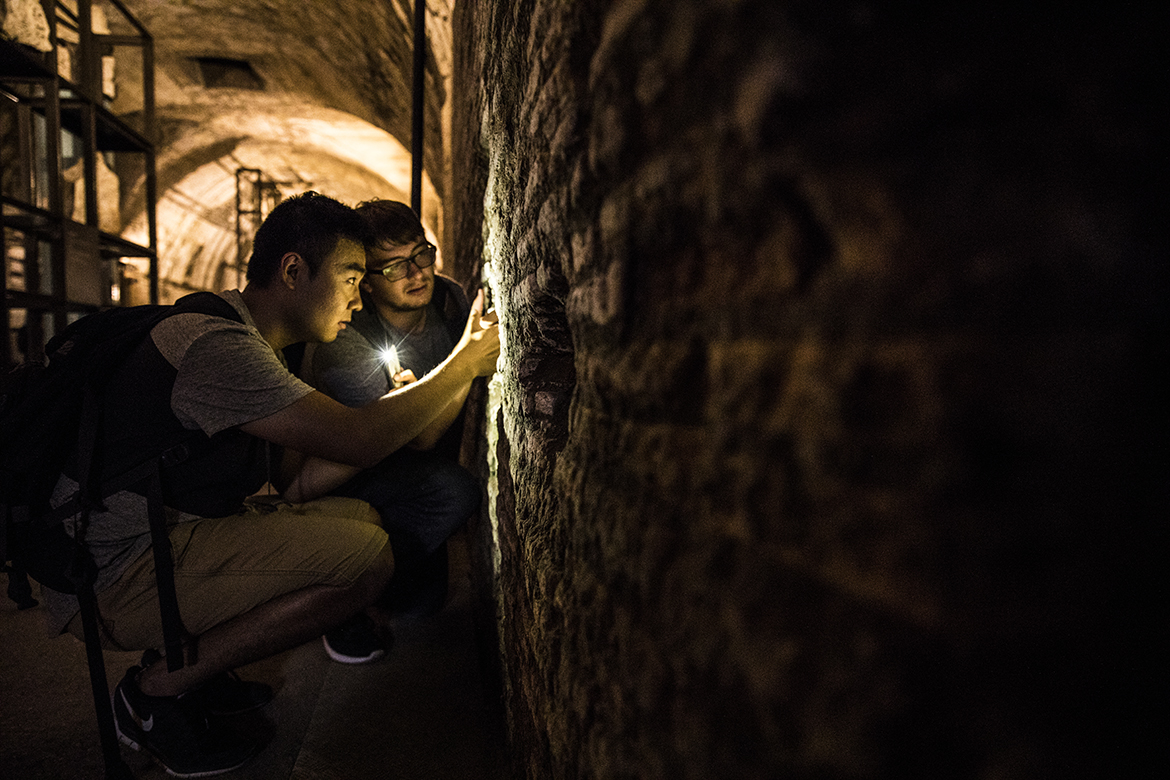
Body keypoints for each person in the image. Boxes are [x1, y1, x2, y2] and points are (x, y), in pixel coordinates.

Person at [38, 191, 500, 777]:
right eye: (353, 277)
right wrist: (465, 361)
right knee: (364, 561)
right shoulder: (218, 348)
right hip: (109, 573)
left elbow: (298, 480)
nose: (359, 300)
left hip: (154, 542)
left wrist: (385, 409)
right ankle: (154, 694)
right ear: (292, 272)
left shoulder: (252, 337)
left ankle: (194, 672)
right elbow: (357, 441)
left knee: (361, 524)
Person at [291, 199, 482, 663]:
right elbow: (417, 438)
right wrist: (468, 361)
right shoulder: (346, 338)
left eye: (422, 254)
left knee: (422, 603)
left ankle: (378, 578)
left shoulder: (451, 301)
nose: (417, 273)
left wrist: (426, 395)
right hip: (349, 475)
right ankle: (341, 597)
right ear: (369, 285)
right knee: (453, 492)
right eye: (394, 266)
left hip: (411, 466)